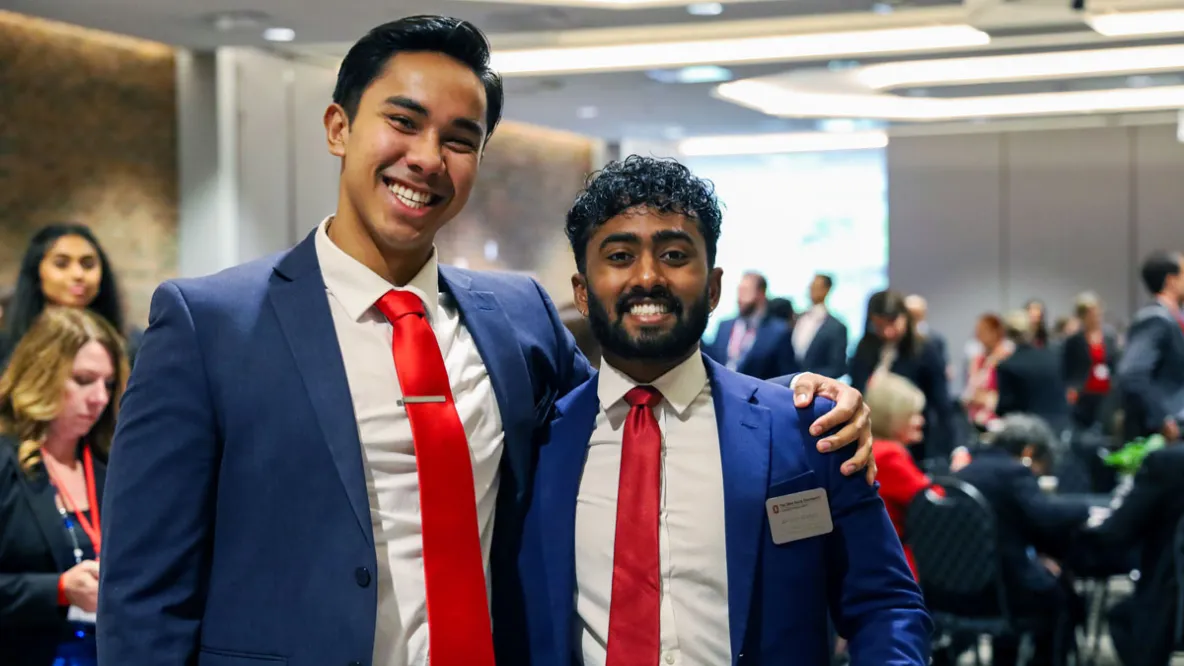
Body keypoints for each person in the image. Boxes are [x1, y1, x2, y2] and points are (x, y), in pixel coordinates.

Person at [96, 17, 875, 666]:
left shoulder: (519, 319)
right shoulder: (210, 325)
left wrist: (802, 403)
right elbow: (142, 595)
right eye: (402, 122)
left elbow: (645, 401)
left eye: (460, 138)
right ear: (339, 127)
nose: (427, 159)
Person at [518, 156, 930, 666]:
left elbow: (885, 605)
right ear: (582, 291)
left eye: (673, 254)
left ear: (713, 287)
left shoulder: (808, 430)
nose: (648, 277)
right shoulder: (536, 444)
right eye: (620, 256)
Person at [0, 307, 129, 666]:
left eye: (107, 384)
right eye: (84, 380)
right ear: (41, 373)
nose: (99, 399)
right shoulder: (6, 462)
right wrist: (57, 590)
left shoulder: (109, 467)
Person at [952, 415, 1088, 666]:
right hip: (1004, 593)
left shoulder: (966, 471)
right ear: (1029, 451)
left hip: (956, 591)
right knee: (1064, 598)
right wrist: (1086, 508)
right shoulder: (1014, 472)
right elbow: (1045, 517)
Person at [0, 224, 136, 371]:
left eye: (88, 264)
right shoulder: (7, 342)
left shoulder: (130, 345)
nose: (78, 274)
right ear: (36, 271)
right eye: (61, 264)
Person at [850, 290, 953, 461]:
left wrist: (952, 449)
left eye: (892, 323)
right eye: (879, 325)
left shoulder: (925, 349)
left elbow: (941, 402)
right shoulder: (864, 347)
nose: (887, 332)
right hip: (872, 436)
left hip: (914, 442)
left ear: (905, 317)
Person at [864, 372, 939, 580]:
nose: (921, 421)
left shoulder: (872, 449)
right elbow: (932, 500)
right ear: (894, 417)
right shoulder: (889, 455)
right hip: (895, 564)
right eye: (914, 414)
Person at [1116, 251, 1184, 443]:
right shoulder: (1154, 319)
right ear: (1171, 281)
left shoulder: (1173, 318)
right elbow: (1132, 374)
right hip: (1162, 434)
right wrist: (1162, 418)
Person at [703, 271, 797, 379]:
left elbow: (787, 375)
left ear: (761, 294)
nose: (740, 298)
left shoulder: (779, 332)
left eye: (745, 291)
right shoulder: (724, 326)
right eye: (739, 291)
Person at [1060, 292, 1119, 430]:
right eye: (1089, 313)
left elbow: (1114, 363)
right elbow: (1067, 367)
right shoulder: (1074, 340)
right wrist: (1070, 389)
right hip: (1083, 391)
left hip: (1106, 390)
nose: (1095, 316)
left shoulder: (1109, 337)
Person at [793, 273, 849, 379]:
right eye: (811, 286)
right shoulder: (797, 319)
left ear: (827, 290)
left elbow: (837, 367)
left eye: (817, 287)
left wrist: (809, 378)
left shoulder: (836, 327)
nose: (812, 290)